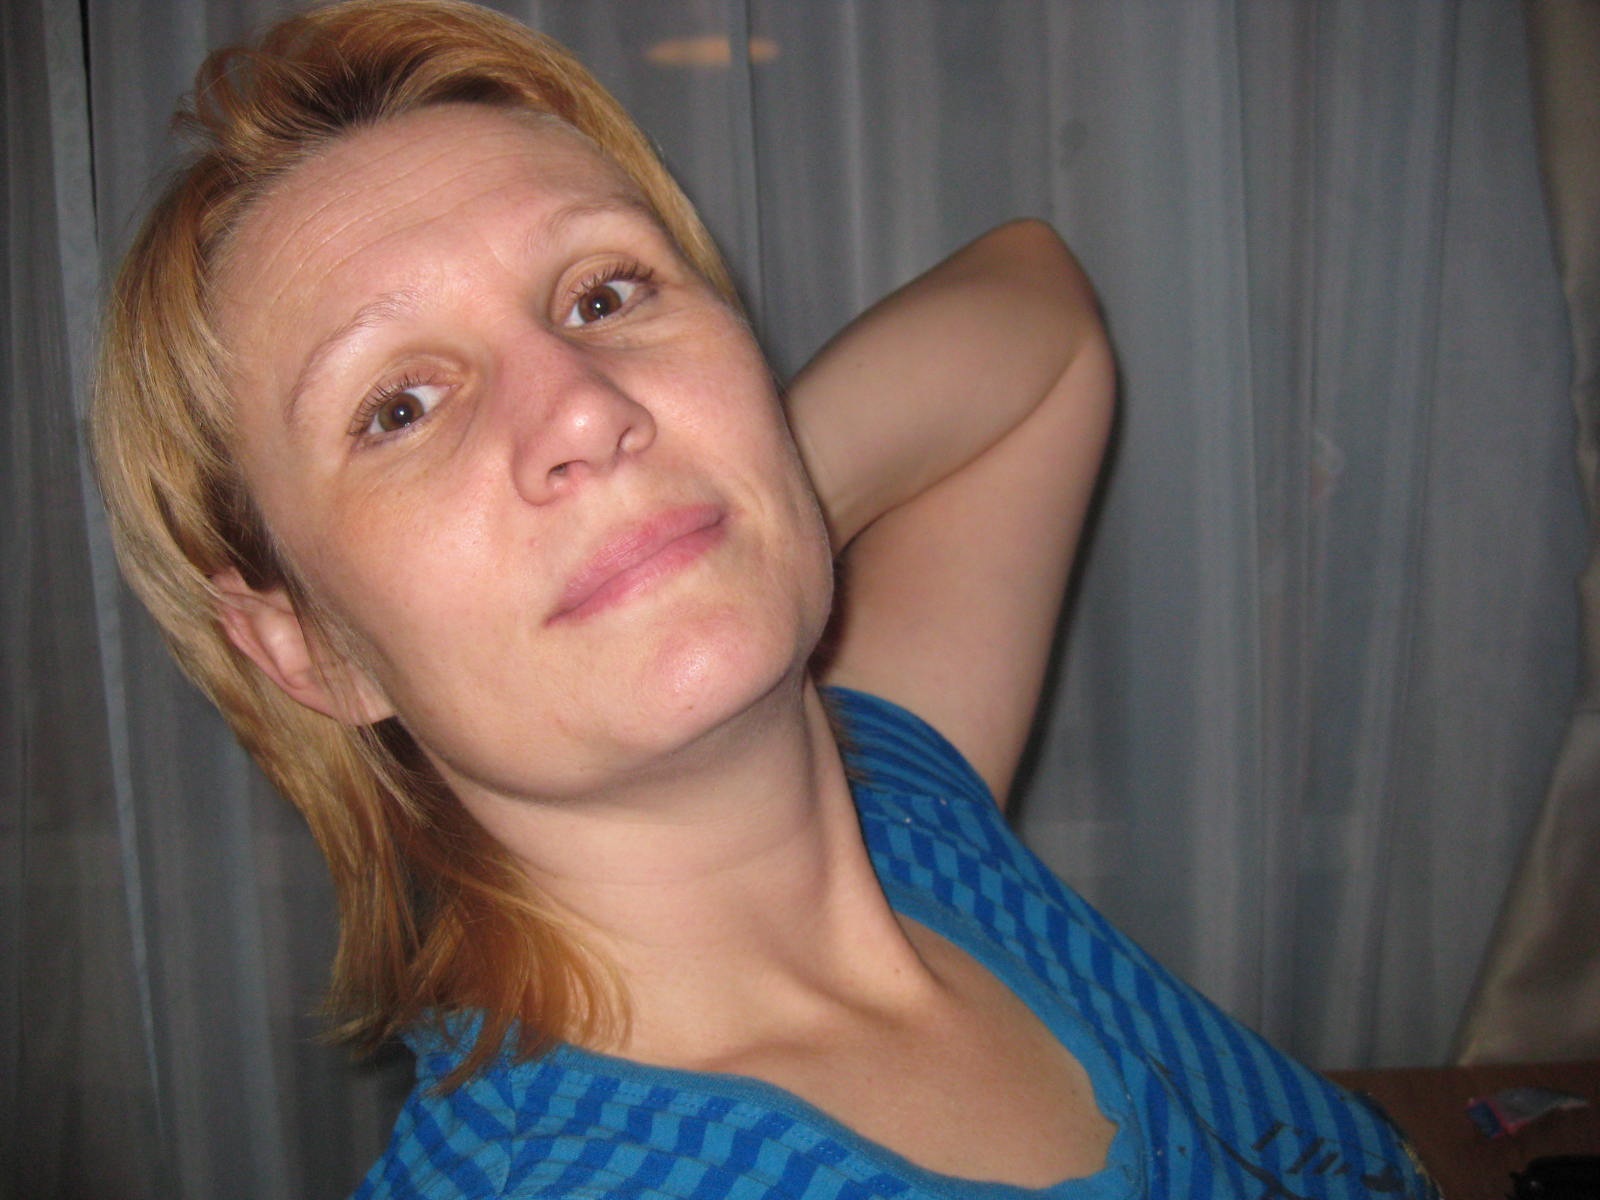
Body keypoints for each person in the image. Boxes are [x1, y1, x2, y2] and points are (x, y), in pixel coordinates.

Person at [91, 1, 1438, 1196]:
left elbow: (1039, 308)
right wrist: (674, 522)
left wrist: (721, 507)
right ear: (305, 649)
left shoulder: (907, 817)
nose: (584, 406)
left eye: (603, 295)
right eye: (400, 407)